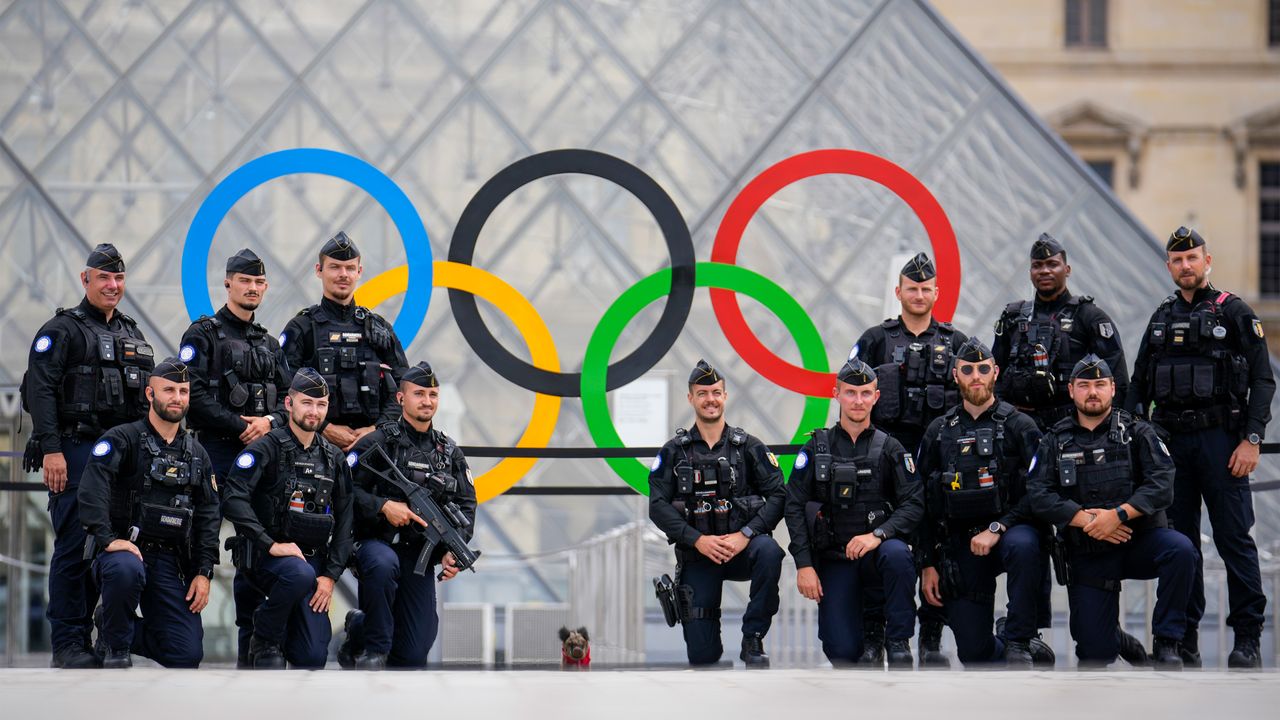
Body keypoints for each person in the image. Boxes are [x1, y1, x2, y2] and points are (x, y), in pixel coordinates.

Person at [1129, 226, 1275, 668]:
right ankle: (1181, 640)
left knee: (1235, 541)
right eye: (1177, 260)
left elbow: (1263, 381)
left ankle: (1247, 639)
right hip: (1171, 448)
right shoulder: (1160, 318)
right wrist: (1138, 441)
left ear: (1207, 262)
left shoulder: (1235, 312)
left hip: (1222, 444)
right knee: (1180, 544)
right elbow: (1138, 385)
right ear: (1169, 267)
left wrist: (1251, 439)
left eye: (1192, 258)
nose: (1185, 265)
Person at [21, 243, 155, 668]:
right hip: (75, 450)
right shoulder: (61, 330)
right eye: (104, 277)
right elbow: (40, 390)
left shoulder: (132, 334)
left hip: (119, 460)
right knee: (74, 548)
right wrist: (52, 450)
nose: (112, 285)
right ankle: (68, 643)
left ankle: (97, 639)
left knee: (106, 548)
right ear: (85, 279)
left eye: (119, 278)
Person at [1029, 355, 1195, 669]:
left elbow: (1162, 483)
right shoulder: (1054, 440)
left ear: (1113, 388)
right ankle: (1115, 638)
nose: (1093, 392)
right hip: (1089, 549)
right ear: (1071, 390)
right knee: (1095, 654)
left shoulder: (1138, 432)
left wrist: (1117, 516)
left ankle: (1168, 640)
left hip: (1137, 540)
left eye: (1100, 384)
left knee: (1181, 551)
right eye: (1084, 385)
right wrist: (1089, 520)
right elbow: (1038, 494)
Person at [850, 251, 966, 666]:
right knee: (885, 546)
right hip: (885, 460)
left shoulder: (955, 343)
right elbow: (852, 397)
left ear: (937, 293)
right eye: (912, 289)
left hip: (939, 460)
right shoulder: (875, 339)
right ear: (898, 292)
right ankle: (877, 634)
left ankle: (931, 636)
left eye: (925, 289)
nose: (919, 295)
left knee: (940, 544)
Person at [178, 247, 290, 667]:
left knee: (255, 549)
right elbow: (191, 394)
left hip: (260, 458)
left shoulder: (270, 343)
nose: (253, 288)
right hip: (215, 453)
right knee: (197, 541)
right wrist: (240, 425)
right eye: (245, 281)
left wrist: (270, 422)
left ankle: (254, 646)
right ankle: (182, 637)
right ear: (228, 283)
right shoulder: (203, 334)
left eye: (259, 282)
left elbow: (291, 398)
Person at [916, 339, 1051, 668]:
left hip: (1011, 531)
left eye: (983, 369)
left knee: (1024, 544)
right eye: (967, 370)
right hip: (961, 543)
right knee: (974, 655)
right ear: (955, 375)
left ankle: (1019, 640)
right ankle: (1005, 644)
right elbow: (921, 501)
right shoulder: (938, 432)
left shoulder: (1021, 426)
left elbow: (1041, 490)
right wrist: (927, 563)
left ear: (995, 372)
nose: (975, 376)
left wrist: (998, 527)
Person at [77, 358, 219, 668]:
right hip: (124, 553)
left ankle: (112, 624)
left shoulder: (197, 453)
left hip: (170, 560)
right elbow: (92, 490)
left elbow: (209, 515)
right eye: (169, 390)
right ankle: (116, 648)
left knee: (185, 655)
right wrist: (107, 539)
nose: (177, 398)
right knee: (125, 569)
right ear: (150, 394)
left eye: (183, 391)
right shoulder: (122, 439)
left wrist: (204, 571)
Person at [784, 359, 924, 667]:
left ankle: (896, 639)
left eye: (865, 393)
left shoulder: (891, 448)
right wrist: (804, 565)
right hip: (835, 557)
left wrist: (878, 535)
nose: (858, 401)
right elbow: (793, 506)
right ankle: (867, 634)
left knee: (898, 555)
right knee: (842, 653)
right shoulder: (816, 448)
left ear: (876, 397)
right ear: (836, 395)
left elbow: (914, 503)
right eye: (850, 393)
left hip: (877, 554)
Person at [337, 361, 477, 669]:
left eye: (432, 395)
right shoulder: (377, 442)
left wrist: (454, 551)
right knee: (383, 565)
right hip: (375, 544)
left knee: (413, 655)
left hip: (418, 554)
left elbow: (467, 505)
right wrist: (383, 506)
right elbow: (344, 491)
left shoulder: (449, 452)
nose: (427, 401)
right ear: (401, 398)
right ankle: (374, 649)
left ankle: (360, 627)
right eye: (419, 394)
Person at [648, 360, 787, 667]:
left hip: (742, 550)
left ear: (725, 396)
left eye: (715, 392)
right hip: (698, 554)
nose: (710, 399)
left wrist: (745, 534)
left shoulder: (749, 447)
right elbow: (657, 506)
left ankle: (753, 638)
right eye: (702, 393)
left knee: (769, 551)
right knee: (703, 657)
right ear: (690, 398)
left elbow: (779, 494)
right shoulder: (673, 452)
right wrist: (697, 540)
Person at [221, 368, 355, 669]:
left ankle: (276, 630)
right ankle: (265, 638)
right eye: (307, 403)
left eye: (321, 405)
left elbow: (346, 520)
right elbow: (233, 499)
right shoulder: (265, 448)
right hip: (265, 558)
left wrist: (330, 576)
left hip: (312, 564)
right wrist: (270, 544)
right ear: (289, 404)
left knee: (311, 658)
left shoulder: (334, 458)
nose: (314, 411)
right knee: (298, 574)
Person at [280, 231, 408, 452]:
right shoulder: (302, 327)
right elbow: (283, 388)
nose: (343, 274)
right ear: (319, 270)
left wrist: (377, 430)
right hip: (314, 448)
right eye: (335, 267)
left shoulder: (379, 329)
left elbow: (404, 387)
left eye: (349, 268)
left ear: (359, 272)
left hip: (376, 449)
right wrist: (324, 428)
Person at [993, 233, 1129, 430]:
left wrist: (1110, 429)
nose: (1044, 271)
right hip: (1018, 427)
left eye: (1052, 264)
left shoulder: (1089, 317)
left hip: (1073, 428)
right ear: (1030, 272)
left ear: (1067, 270)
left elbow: (1118, 379)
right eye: (1037, 265)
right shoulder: (1013, 318)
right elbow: (994, 375)